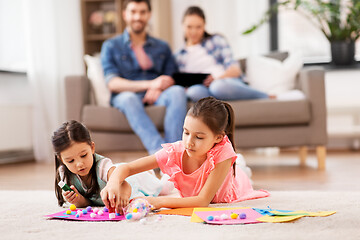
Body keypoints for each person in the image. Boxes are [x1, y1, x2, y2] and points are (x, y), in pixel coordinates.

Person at [101, 97, 269, 212]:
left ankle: (239, 163)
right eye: (186, 132)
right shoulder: (176, 150)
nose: (189, 142)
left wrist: (155, 202)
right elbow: (128, 167)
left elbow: (202, 201)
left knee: (241, 170)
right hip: (205, 177)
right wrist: (113, 183)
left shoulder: (223, 152)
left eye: (199, 137)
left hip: (233, 184)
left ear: (218, 137)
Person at [101, 0, 187, 154]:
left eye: (142, 12)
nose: (137, 17)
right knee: (129, 98)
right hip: (127, 95)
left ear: (149, 15)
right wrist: (151, 84)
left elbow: (171, 77)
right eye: (133, 12)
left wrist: (159, 87)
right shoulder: (111, 46)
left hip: (158, 93)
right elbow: (113, 83)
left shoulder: (162, 46)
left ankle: (175, 151)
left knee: (178, 92)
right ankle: (161, 155)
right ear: (125, 15)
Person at [53, 120, 172, 208]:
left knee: (164, 189)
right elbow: (88, 202)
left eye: (84, 155)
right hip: (119, 169)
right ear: (61, 159)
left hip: (133, 179)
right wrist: (78, 200)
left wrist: (123, 195)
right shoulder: (64, 174)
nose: (79, 164)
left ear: (92, 148)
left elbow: (125, 184)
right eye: (70, 161)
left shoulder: (102, 166)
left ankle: (169, 172)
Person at [175, 6, 270, 102]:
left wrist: (216, 78)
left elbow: (235, 70)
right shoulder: (179, 55)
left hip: (224, 82)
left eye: (198, 27)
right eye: (189, 27)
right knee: (194, 92)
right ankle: (217, 108)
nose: (194, 32)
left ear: (204, 25)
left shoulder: (216, 40)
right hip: (201, 87)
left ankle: (263, 95)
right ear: (182, 25)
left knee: (217, 87)